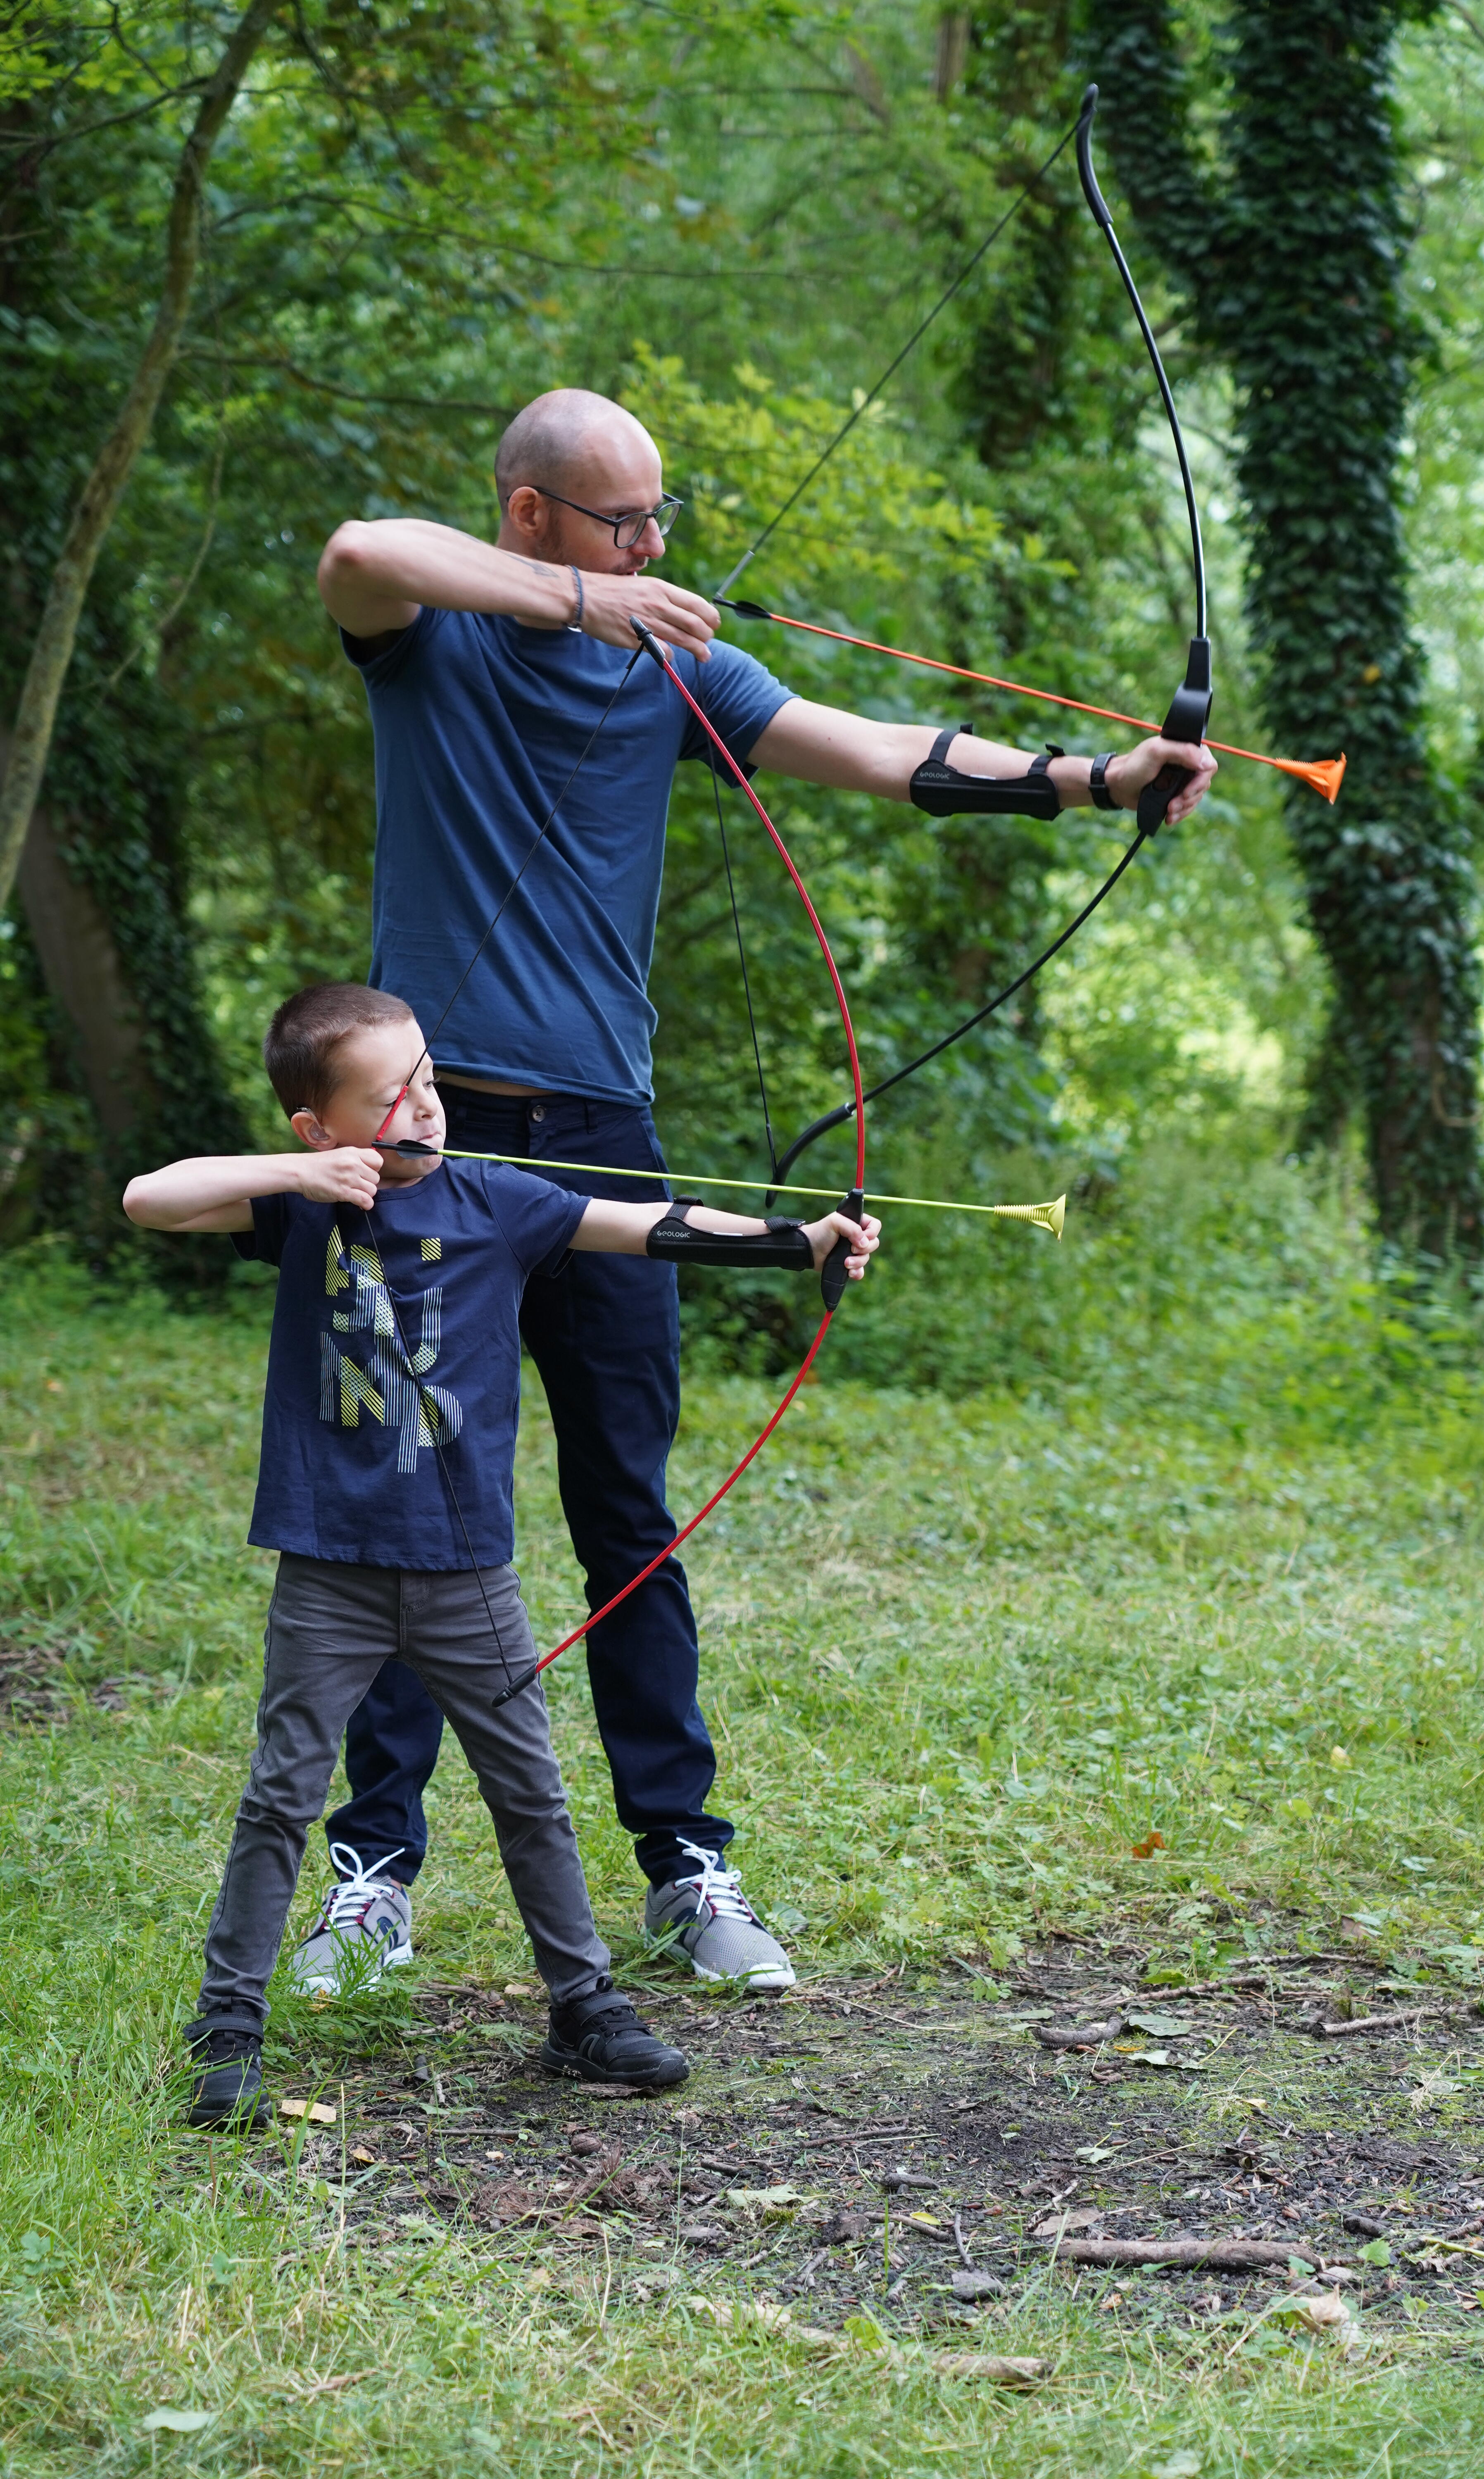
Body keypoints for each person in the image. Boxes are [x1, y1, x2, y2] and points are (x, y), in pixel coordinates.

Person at [309, 386, 1216, 1996]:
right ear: (531, 515)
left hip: (603, 1124)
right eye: (622, 523)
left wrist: (1093, 779)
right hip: (420, 1144)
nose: (656, 548)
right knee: (408, 1513)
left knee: (627, 1513)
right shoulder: (431, 638)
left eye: (660, 518)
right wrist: (586, 600)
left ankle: (686, 1865)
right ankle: (371, 1877)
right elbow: (360, 549)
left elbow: (879, 752)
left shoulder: (674, 676)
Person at [123, 980, 878, 2127]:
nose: (424, 1107)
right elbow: (148, 1198)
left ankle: (584, 2007)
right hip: (328, 1567)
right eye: (389, 1099)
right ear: (318, 1131)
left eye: (427, 1078)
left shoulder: (499, 1200)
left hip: (466, 1567)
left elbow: (648, 1225)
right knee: (283, 1793)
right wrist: (298, 1180)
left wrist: (798, 1240)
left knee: (529, 1791)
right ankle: (228, 2027)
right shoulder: (303, 1207)